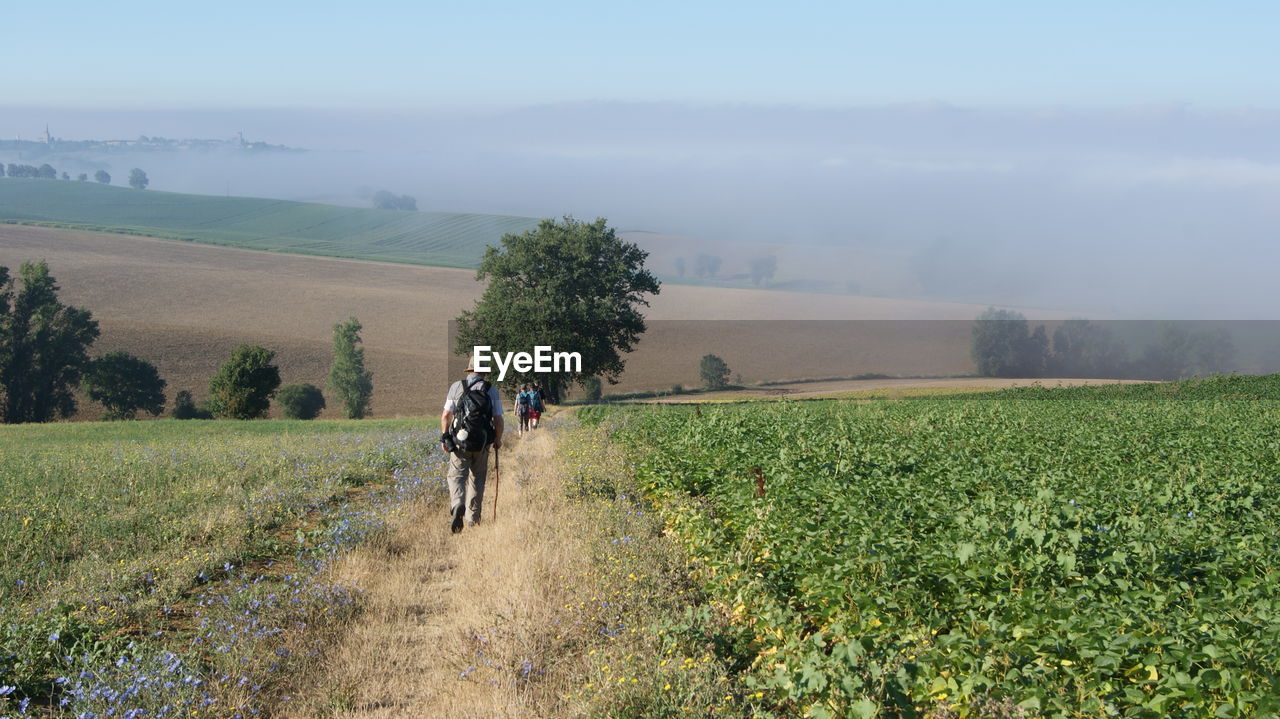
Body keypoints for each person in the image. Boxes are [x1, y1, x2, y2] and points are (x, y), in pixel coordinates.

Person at [440, 361, 504, 534]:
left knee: (456, 476)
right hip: (482, 443)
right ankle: (472, 519)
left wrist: (445, 438)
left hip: (460, 441)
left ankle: (457, 503)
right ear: (483, 372)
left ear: (469, 370)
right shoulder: (491, 390)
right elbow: (498, 420)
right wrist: (497, 440)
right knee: (478, 478)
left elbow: (446, 415)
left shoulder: (456, 387)